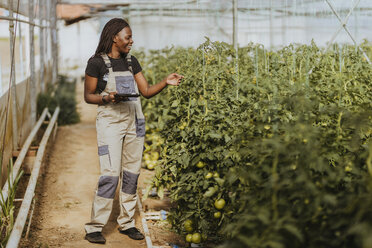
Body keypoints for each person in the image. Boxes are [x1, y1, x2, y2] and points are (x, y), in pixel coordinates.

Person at [83, 18, 183, 244]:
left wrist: (165, 82)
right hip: (110, 121)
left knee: (131, 174)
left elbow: (146, 91)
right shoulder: (96, 63)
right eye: (127, 37)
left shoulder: (131, 61)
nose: (131, 41)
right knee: (110, 175)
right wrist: (107, 97)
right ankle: (94, 227)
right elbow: (88, 96)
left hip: (134, 120)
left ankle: (126, 222)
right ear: (114, 38)